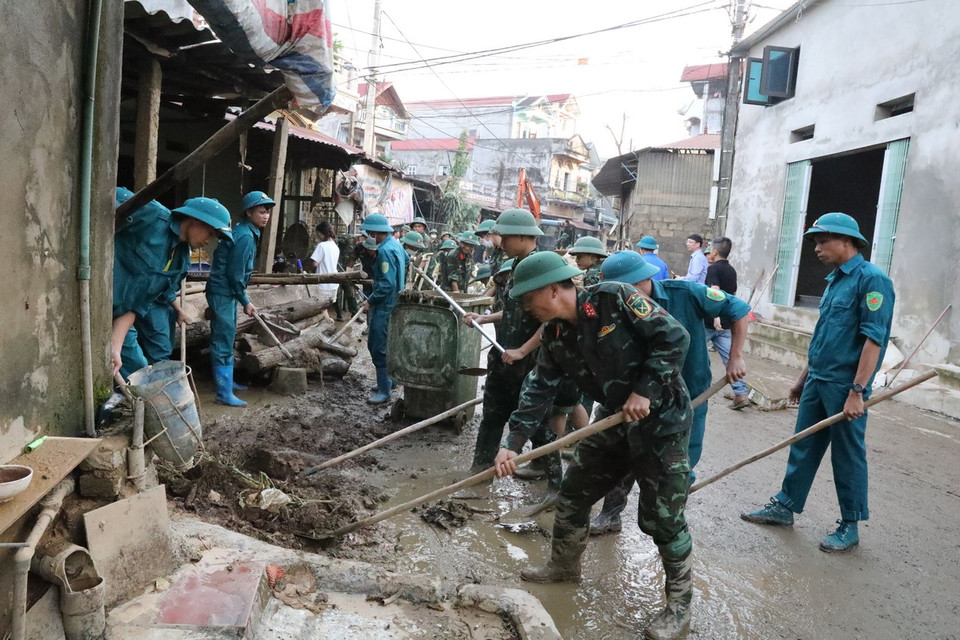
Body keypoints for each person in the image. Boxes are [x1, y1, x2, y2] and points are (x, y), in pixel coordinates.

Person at [492, 251, 694, 640]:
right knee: (574, 493)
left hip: (662, 422)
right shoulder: (554, 335)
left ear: (552, 291)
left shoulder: (614, 298)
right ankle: (564, 567)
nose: (526, 308)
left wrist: (645, 390)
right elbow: (539, 387)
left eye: (528, 298)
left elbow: (674, 337)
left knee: (663, 518)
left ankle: (679, 606)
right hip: (613, 420)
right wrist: (512, 443)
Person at [741, 213, 895, 553]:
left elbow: (874, 340)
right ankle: (785, 505)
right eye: (815, 242)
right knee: (804, 444)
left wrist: (857, 391)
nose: (816, 248)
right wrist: (802, 379)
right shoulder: (835, 280)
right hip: (817, 379)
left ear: (847, 241)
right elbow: (824, 336)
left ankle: (850, 524)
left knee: (847, 454)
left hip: (845, 386)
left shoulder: (872, 281)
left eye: (823, 241)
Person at [588, 250, 750, 535]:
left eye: (624, 289)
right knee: (621, 453)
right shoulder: (614, 304)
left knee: (678, 464)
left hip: (687, 395)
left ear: (641, 281)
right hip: (638, 395)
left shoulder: (686, 293)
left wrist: (735, 357)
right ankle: (611, 515)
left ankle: (670, 529)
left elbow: (739, 310)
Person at [112, 190, 232, 378]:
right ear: (196, 219)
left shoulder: (181, 262)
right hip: (88, 299)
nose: (209, 241)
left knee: (138, 371)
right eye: (210, 232)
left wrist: (116, 347)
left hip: (117, 317)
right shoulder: (151, 215)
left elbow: (136, 306)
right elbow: (107, 196)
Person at [461, 209, 544, 469]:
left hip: (529, 361)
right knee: (493, 413)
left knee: (535, 419)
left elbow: (552, 321)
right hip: (503, 354)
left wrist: (523, 350)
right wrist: (484, 318)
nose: (501, 242)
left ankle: (545, 470)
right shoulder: (516, 266)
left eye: (506, 237)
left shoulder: (541, 267)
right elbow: (511, 311)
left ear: (523, 236)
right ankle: (481, 467)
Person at [205, 190, 275, 406]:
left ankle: (227, 383)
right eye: (261, 212)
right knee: (223, 339)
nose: (266, 216)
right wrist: (245, 301)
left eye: (267, 212)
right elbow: (235, 274)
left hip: (227, 291)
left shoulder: (246, 231)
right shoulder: (244, 236)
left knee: (226, 336)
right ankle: (223, 393)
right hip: (223, 291)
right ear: (249, 212)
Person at [360, 214, 407, 404]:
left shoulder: (385, 251)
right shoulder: (396, 245)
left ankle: (384, 390)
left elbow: (387, 284)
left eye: (369, 233)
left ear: (375, 232)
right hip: (395, 302)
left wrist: (370, 300)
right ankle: (390, 380)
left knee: (377, 346)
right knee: (390, 344)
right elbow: (406, 261)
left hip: (385, 304)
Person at [704, 237, 751, 409]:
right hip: (726, 323)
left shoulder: (713, 269)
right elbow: (732, 295)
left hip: (710, 322)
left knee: (691, 353)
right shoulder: (731, 270)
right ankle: (741, 393)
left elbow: (714, 293)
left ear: (715, 252)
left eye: (710, 249)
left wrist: (715, 316)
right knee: (730, 358)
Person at [308, 221, 340, 294]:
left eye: (318, 233)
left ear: (320, 233)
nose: (318, 236)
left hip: (323, 283)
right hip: (334, 283)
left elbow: (315, 264)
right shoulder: (335, 246)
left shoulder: (322, 246)